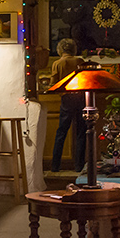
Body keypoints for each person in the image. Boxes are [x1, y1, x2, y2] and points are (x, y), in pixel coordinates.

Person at [49, 38, 86, 173]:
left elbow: (53, 84)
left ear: (60, 50)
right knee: (81, 133)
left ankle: (55, 165)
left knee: (61, 132)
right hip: (80, 98)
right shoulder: (79, 62)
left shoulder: (57, 63)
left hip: (66, 99)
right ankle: (79, 166)